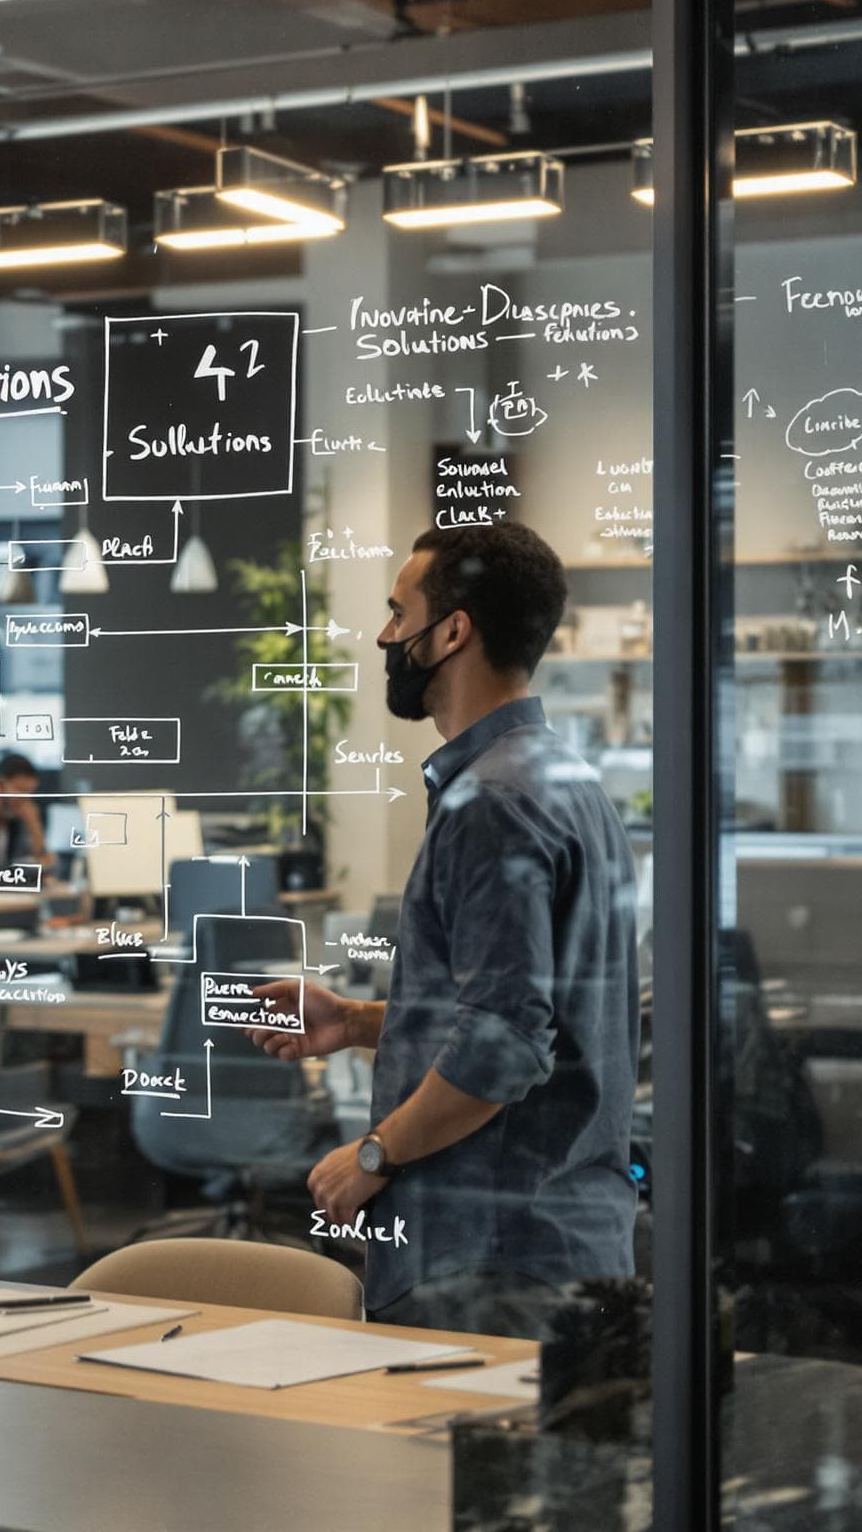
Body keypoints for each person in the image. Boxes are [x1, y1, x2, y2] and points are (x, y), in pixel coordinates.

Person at [251, 520, 637, 1341]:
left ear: (453, 631)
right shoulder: (564, 779)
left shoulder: (490, 801)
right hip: (558, 1238)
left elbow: (503, 1046)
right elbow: (537, 1018)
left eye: (399, 613)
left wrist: (373, 1155)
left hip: (487, 1255)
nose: (385, 636)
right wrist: (360, 1022)